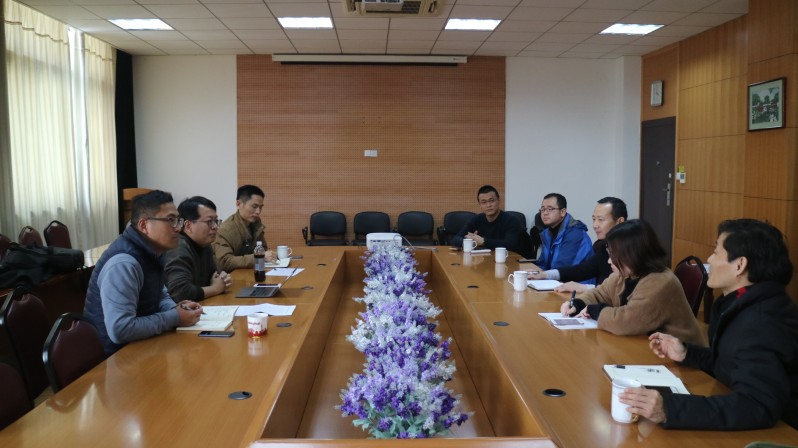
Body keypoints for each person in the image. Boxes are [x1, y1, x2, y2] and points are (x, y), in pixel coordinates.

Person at [620, 219, 798, 430]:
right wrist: (687, 353)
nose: (709, 259)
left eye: (716, 252)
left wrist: (669, 408)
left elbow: (756, 406)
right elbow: (733, 363)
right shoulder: (740, 302)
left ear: (739, 265)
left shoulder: (763, 322)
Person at [84, 190, 203, 356]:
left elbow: (159, 294)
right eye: (170, 220)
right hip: (113, 357)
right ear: (144, 226)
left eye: (178, 220)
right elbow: (120, 329)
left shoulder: (154, 252)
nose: (178, 228)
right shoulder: (124, 263)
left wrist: (176, 309)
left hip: (141, 345)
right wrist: (175, 317)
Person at [560, 219, 704, 345]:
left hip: (678, 357)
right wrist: (578, 303)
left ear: (633, 255)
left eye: (614, 255)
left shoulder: (660, 281)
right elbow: (600, 293)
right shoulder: (625, 273)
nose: (609, 261)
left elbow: (626, 322)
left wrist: (595, 310)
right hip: (646, 344)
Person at [530, 197, 627, 291]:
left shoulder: (629, 250)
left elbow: (623, 290)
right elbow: (582, 270)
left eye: (600, 219)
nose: (595, 225)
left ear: (619, 221)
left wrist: (584, 288)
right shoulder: (602, 246)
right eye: (594, 219)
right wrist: (544, 274)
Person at [164, 196, 233, 302]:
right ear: (188, 226)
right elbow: (179, 292)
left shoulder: (205, 244)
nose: (215, 227)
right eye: (209, 221)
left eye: (216, 221)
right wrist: (215, 289)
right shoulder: (178, 247)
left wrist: (222, 278)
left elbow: (214, 276)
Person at [449, 185, 532, 258]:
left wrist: (483, 241)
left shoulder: (511, 220)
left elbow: (510, 245)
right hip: (486, 260)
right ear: (480, 205)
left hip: (510, 261)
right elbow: (455, 239)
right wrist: (471, 242)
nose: (488, 205)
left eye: (491, 200)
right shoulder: (477, 219)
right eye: (484, 202)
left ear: (499, 201)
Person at [213, 185, 276, 271]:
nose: (258, 212)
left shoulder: (256, 223)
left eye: (260, 207)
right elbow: (224, 261)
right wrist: (258, 257)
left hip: (250, 271)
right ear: (239, 204)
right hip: (231, 276)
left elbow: (262, 248)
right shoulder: (225, 230)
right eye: (254, 206)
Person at [536, 193, 593, 270]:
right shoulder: (547, 234)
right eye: (543, 209)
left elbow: (563, 269)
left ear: (562, 212)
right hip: (554, 276)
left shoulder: (575, 234)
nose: (545, 213)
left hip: (576, 277)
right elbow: (543, 263)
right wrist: (534, 272)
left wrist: (542, 274)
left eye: (550, 209)